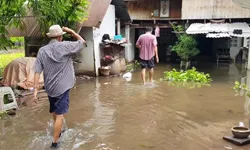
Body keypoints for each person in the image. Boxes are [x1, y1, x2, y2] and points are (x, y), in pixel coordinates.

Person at [33, 25, 85, 149]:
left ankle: (59, 130)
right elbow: (82, 43)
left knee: (56, 112)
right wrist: (71, 31)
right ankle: (55, 143)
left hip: (50, 87)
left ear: (50, 37)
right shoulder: (66, 46)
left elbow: (37, 71)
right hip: (63, 87)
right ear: (60, 37)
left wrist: (35, 90)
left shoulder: (42, 50)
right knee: (60, 115)